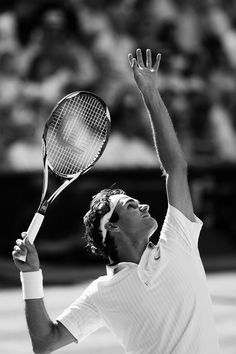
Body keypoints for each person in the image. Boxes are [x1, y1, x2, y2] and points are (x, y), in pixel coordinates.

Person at [12, 49, 220, 354]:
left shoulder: (179, 238)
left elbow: (176, 168)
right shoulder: (102, 294)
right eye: (131, 206)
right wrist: (31, 275)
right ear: (112, 227)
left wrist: (151, 94)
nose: (146, 206)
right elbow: (45, 342)